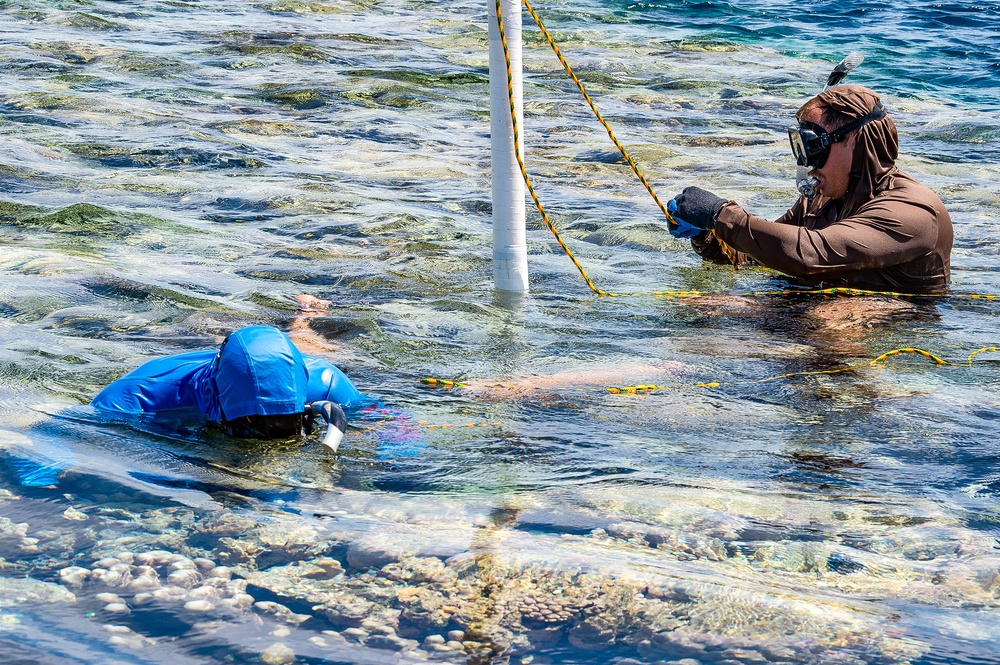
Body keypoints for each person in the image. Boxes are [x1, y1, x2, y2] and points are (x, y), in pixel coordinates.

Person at [667, 85, 953, 295]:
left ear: (855, 142)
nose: (806, 164)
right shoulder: (821, 200)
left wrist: (721, 214)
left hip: (890, 330)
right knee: (702, 308)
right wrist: (708, 235)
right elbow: (758, 255)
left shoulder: (912, 212)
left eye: (813, 148)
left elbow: (808, 256)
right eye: (800, 148)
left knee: (833, 322)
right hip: (813, 309)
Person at [91, 325, 359, 451]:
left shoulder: (327, 383)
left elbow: (391, 425)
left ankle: (306, 316)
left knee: (308, 339)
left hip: (290, 359)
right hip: (179, 370)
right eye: (250, 427)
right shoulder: (134, 398)